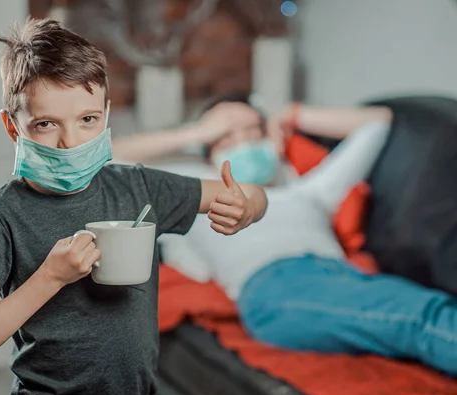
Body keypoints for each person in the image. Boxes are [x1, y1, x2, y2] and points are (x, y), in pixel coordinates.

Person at [0, 18, 267, 395]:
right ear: (13, 127)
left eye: (87, 120)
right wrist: (51, 277)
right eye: (46, 124)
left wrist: (247, 207)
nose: (70, 142)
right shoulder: (1, 216)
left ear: (107, 114)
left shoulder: (138, 188)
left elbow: (251, 192)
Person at [112, 95, 457, 376]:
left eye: (254, 130)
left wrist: (292, 114)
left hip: (344, 279)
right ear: (208, 150)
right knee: (422, 317)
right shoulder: (197, 189)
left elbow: (378, 122)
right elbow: (103, 161)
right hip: (276, 286)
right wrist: (194, 132)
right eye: (227, 136)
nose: (244, 141)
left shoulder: (309, 191)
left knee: (429, 312)